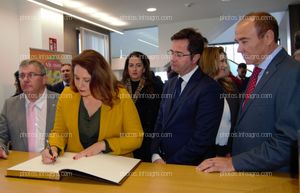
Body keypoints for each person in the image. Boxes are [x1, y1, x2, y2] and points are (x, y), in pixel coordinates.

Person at [197, 12, 300, 173]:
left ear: (268, 37)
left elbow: (288, 141)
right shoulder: (260, 72)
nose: (239, 49)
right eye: (237, 42)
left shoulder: (292, 73)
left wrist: (234, 163)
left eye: (244, 41)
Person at [42, 50, 143, 164]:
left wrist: (103, 145)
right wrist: (53, 147)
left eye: (87, 80)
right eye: (76, 78)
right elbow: (60, 132)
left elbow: (136, 137)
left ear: (100, 78)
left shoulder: (120, 96)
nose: (80, 85)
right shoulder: (67, 95)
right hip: (77, 166)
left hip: (115, 167)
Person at [151, 28, 224, 165]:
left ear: (195, 58)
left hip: (190, 168)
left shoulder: (210, 89)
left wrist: (171, 164)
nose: (172, 58)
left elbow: (202, 139)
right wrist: (155, 154)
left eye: (179, 54)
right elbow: (159, 123)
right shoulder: (170, 84)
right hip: (161, 161)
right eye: (172, 52)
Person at [0, 59, 58, 158]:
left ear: (44, 79)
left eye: (31, 75)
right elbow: (1, 136)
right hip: (20, 165)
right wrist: (1, 147)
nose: (25, 79)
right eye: (22, 76)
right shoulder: (9, 105)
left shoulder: (60, 101)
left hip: (54, 163)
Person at [122, 51, 163, 162]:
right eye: (131, 65)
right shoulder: (120, 88)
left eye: (138, 65)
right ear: (127, 68)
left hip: (147, 138)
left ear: (144, 68)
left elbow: (159, 115)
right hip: (125, 138)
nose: (134, 69)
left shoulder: (156, 87)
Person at [200, 47, 240, 156]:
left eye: (225, 61)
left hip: (226, 151)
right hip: (202, 152)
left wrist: (230, 150)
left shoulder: (230, 87)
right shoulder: (196, 89)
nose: (225, 65)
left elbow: (235, 121)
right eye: (222, 61)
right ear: (210, 62)